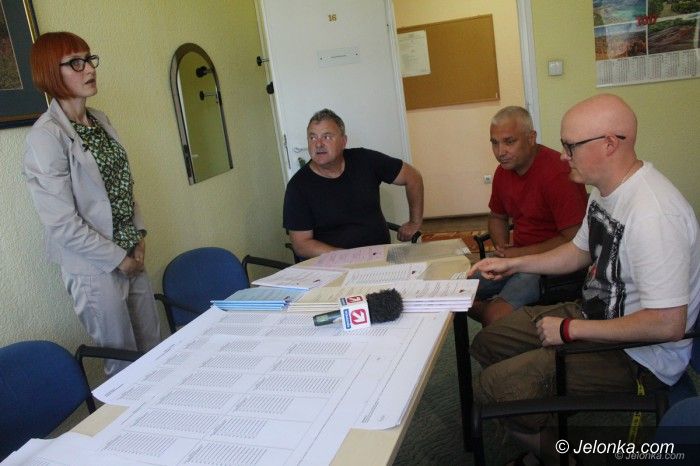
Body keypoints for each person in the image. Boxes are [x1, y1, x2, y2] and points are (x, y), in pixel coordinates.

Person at [468, 94, 700, 463]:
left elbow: (668, 324)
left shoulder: (654, 215)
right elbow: (577, 252)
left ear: (609, 144)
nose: (563, 156)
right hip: (594, 313)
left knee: (492, 389)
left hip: (639, 356)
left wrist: (570, 330)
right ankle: (539, 411)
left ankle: (560, 454)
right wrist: (515, 264)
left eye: (570, 145)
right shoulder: (604, 191)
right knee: (487, 343)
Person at [23, 32, 161, 376]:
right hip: (94, 267)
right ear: (50, 72)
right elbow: (61, 223)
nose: (89, 69)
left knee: (155, 351)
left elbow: (123, 185)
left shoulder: (100, 120)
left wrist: (139, 235)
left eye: (88, 59)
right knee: (123, 366)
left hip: (131, 252)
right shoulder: (45, 136)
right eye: (75, 63)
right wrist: (118, 259)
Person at [470, 106, 588, 325]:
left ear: (531, 138)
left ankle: (501, 321)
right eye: (494, 143)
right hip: (516, 256)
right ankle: (503, 321)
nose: (500, 151)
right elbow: (497, 216)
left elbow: (574, 239)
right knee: (456, 294)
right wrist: (503, 249)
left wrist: (517, 256)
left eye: (509, 142)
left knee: (494, 316)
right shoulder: (503, 171)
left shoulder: (558, 173)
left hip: (550, 265)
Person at [283, 108, 424, 259]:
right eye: (312, 137)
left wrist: (414, 222)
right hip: (333, 264)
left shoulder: (365, 160)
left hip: (381, 257)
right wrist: (349, 257)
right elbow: (301, 245)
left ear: (344, 141)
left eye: (327, 137)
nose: (318, 144)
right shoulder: (298, 186)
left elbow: (412, 177)